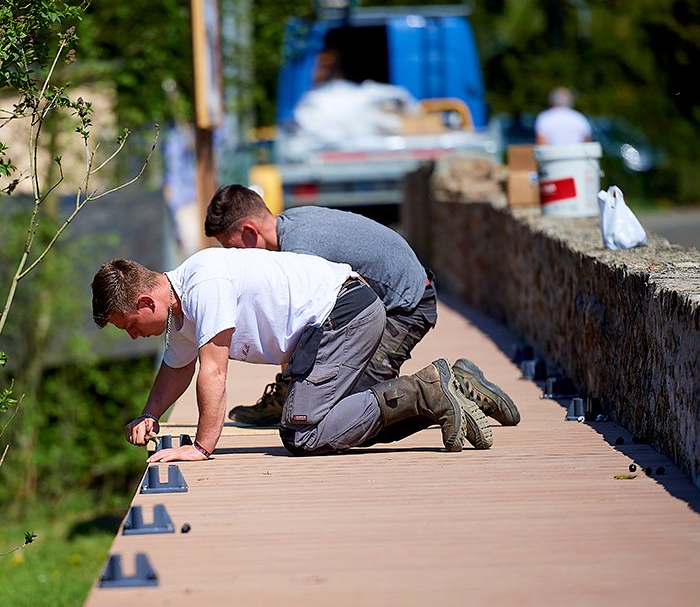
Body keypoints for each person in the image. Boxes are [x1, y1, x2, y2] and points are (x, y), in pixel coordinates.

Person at [91, 250, 495, 463]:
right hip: (332, 326)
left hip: (345, 313)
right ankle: (443, 396)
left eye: (127, 324)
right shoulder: (181, 310)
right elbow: (177, 368)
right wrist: (150, 414)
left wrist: (201, 447)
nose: (131, 336)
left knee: (303, 430)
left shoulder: (204, 285)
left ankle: (423, 392)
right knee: (343, 419)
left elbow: (213, 372)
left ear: (145, 301)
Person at [204, 184, 521, 430]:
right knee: (325, 395)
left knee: (352, 409)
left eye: (232, 249)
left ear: (249, 230)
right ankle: (290, 395)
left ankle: (459, 384)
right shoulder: (291, 223)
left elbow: (305, 326)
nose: (236, 258)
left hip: (407, 307)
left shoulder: (300, 249)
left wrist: (301, 382)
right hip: (391, 300)